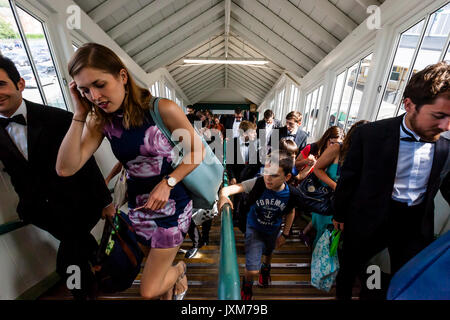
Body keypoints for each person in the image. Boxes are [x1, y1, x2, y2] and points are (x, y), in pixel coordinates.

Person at [55, 43, 204, 300]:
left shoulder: (162, 109)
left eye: (100, 85)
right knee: (156, 273)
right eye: (85, 90)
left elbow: (197, 152)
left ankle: (181, 269)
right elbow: (65, 168)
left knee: (148, 290)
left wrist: (168, 182)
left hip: (172, 206)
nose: (95, 96)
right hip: (138, 208)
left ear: (122, 77)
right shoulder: (100, 120)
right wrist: (79, 114)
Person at [332, 61, 450, 300]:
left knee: (400, 278)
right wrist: (340, 215)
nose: (446, 126)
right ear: (409, 105)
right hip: (370, 219)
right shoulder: (371, 134)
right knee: (354, 270)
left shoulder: (446, 146)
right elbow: (349, 178)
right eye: (438, 116)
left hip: (414, 225)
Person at [0, 55, 113, 300]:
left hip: (80, 205)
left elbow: (87, 165)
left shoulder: (59, 118)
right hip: (41, 212)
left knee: (68, 262)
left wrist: (106, 201)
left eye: (1, 85)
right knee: (80, 248)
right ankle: (99, 266)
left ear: (19, 83)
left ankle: (86, 293)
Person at [218, 151, 304, 300]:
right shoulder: (258, 183)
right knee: (252, 269)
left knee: (269, 252)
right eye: (266, 172)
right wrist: (223, 197)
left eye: (274, 175)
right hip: (254, 228)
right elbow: (227, 189)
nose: (268, 178)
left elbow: (290, 212)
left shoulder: (290, 194)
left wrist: (285, 234)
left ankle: (266, 268)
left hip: (273, 229)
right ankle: (247, 284)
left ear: (287, 177)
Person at [311, 121, 367, 247]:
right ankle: (317, 264)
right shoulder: (337, 148)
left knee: (336, 241)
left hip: (346, 206)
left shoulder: (366, 154)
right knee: (323, 238)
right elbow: (317, 169)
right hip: (327, 202)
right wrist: (335, 186)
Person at [294, 126, 344, 247]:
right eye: (331, 142)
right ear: (326, 139)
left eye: (337, 143)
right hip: (309, 187)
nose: (333, 146)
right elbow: (296, 167)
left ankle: (305, 233)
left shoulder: (340, 154)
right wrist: (309, 163)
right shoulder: (312, 148)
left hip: (324, 194)